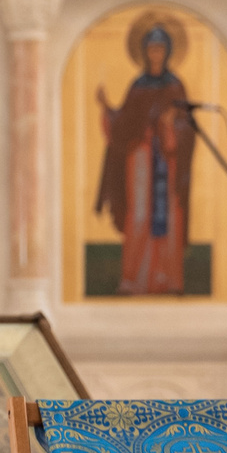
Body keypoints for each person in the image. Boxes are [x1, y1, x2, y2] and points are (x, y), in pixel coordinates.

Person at [93, 21, 195, 296]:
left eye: (160, 48)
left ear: (168, 51)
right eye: (151, 48)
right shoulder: (137, 86)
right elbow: (124, 123)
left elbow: (187, 127)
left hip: (167, 162)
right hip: (140, 159)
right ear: (144, 52)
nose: (155, 54)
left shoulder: (176, 87)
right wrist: (106, 108)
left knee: (168, 217)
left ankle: (169, 280)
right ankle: (134, 280)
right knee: (139, 215)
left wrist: (172, 125)